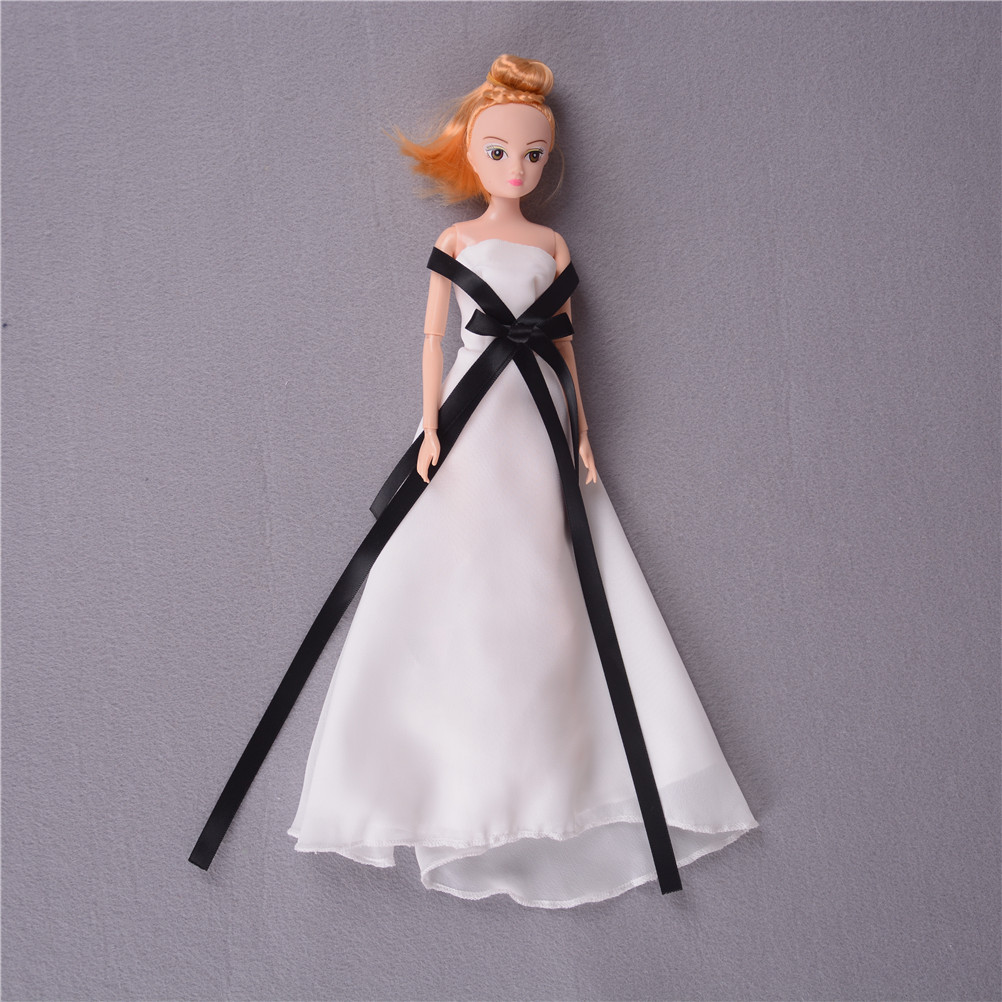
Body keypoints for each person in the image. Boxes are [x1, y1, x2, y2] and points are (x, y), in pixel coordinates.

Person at [190, 55, 758, 909]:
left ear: (548, 159)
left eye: (533, 155)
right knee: (451, 562)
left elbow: (565, 341)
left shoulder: (553, 246)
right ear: (470, 153)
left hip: (540, 417)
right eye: (499, 152)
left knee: (549, 568)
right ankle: (442, 765)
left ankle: (566, 764)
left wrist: (584, 429)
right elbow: (432, 338)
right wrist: (428, 427)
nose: (516, 168)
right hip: (471, 411)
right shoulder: (456, 242)